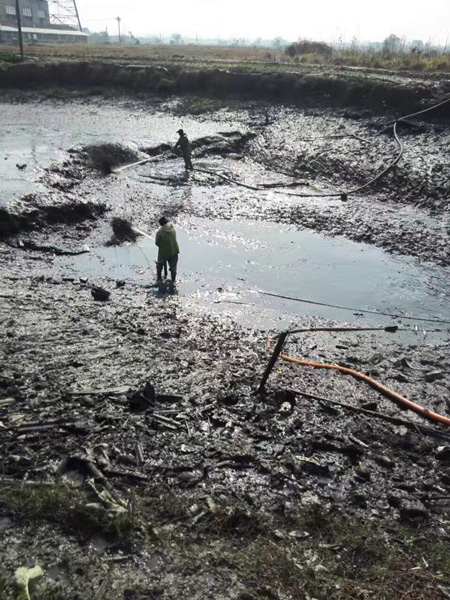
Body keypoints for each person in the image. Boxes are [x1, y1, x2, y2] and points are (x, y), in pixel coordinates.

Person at [155, 216, 179, 283]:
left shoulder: (160, 232)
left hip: (163, 253)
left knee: (159, 264)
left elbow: (157, 243)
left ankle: (159, 279)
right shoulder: (172, 229)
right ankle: (173, 280)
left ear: (160, 224)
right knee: (173, 267)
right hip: (174, 251)